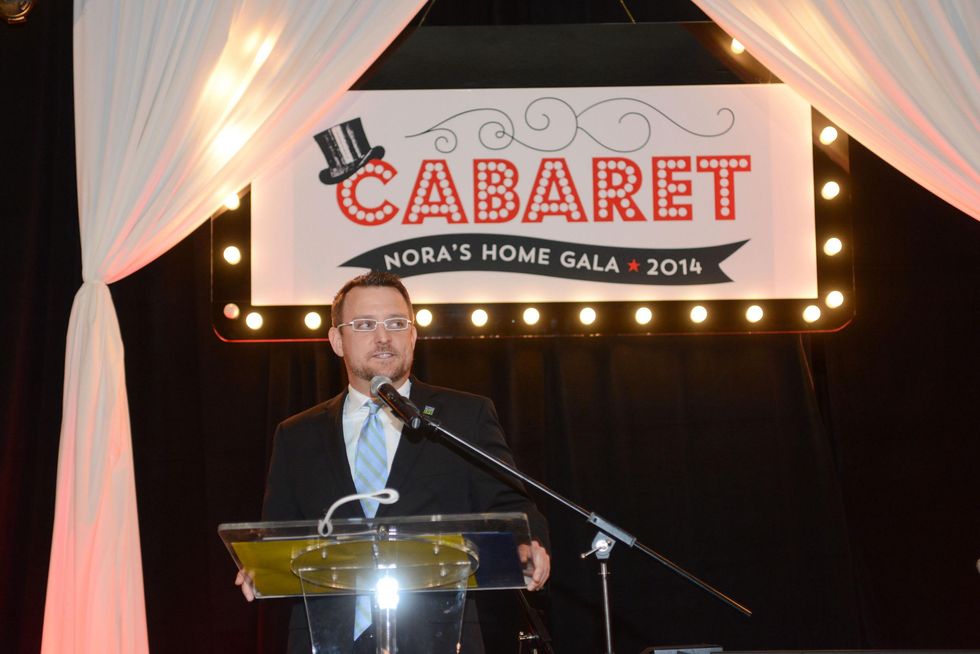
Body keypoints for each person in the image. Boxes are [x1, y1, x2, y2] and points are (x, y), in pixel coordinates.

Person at [236, 270, 550, 653]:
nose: (383, 337)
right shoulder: (297, 434)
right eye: (365, 324)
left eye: (396, 323)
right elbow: (277, 532)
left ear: (413, 335)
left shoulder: (463, 417)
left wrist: (526, 543)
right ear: (337, 340)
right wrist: (258, 566)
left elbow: (512, 505)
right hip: (327, 640)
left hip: (438, 637)